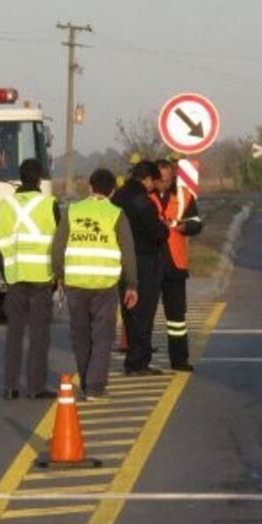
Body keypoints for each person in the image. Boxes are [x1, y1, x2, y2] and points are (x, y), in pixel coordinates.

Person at [52, 169, 139, 399]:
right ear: (112, 191)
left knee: (80, 334)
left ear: (90, 188)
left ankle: (86, 379)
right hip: (105, 285)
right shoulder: (116, 214)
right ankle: (95, 386)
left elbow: (57, 248)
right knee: (103, 335)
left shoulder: (72, 211)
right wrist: (131, 284)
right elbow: (127, 252)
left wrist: (60, 275)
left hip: (75, 283)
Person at [0, 159, 59, 400]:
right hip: (42, 278)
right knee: (39, 334)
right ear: (40, 179)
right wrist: (58, 275)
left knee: (14, 332)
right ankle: (36, 387)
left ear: (20, 178)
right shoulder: (48, 204)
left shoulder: (5, 205)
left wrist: (7, 275)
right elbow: (58, 244)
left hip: (15, 277)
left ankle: (10, 386)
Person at [112, 160, 170, 375]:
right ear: (147, 179)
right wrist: (165, 230)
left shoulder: (117, 197)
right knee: (144, 311)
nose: (154, 186)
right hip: (144, 260)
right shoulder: (142, 201)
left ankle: (133, 358)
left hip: (121, 260)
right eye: (153, 182)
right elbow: (156, 231)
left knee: (129, 310)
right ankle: (139, 361)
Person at [153, 159, 202, 371]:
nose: (164, 184)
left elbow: (197, 223)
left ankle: (179, 359)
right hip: (151, 261)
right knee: (144, 315)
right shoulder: (145, 196)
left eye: (167, 179)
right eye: (160, 180)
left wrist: (185, 227)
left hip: (175, 263)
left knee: (177, 317)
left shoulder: (183, 195)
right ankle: (141, 359)